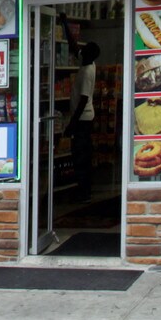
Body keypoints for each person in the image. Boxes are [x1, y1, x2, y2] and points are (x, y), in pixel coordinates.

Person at [66, 39, 101, 200]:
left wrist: (72, 123)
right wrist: (64, 22)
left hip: (83, 119)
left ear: (89, 55)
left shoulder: (87, 71)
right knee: (82, 154)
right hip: (83, 118)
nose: (81, 50)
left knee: (80, 155)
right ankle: (84, 189)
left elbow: (83, 100)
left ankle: (84, 191)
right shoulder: (88, 62)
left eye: (84, 49)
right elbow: (74, 47)